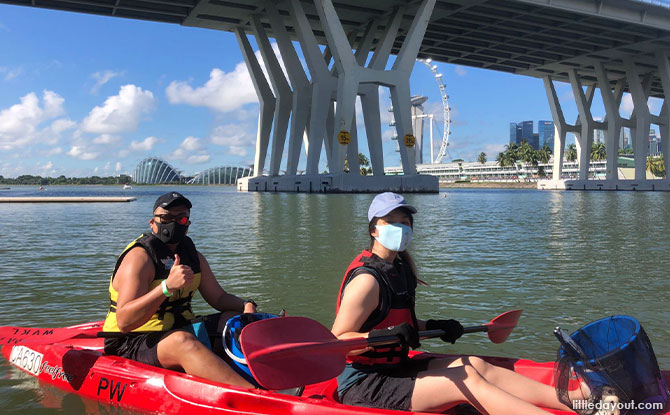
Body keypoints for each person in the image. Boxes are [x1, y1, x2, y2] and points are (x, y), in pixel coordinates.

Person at [332, 192, 583, 414]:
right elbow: (335, 344)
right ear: (373, 229)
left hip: (398, 366)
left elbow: (397, 322)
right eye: (391, 222)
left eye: (405, 223)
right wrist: (384, 336)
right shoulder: (367, 281)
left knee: (475, 365)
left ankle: (574, 400)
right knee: (468, 381)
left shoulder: (400, 269)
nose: (400, 228)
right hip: (365, 383)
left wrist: (434, 325)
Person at [102, 191, 258, 387]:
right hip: (129, 341)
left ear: (188, 224)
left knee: (232, 319)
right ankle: (252, 395)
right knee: (181, 341)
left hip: (173, 331)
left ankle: (256, 373)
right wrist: (166, 287)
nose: (173, 223)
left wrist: (246, 305)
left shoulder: (194, 257)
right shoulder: (139, 259)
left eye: (181, 218)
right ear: (153, 223)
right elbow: (124, 321)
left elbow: (218, 298)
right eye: (166, 217)